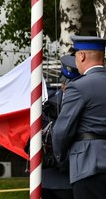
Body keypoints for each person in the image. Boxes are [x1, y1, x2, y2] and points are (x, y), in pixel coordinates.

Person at [52, 35, 106, 199]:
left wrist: (60, 158)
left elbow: (61, 131)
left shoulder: (77, 87)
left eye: (75, 55)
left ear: (81, 56)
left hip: (88, 165)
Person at [42, 55, 79, 199]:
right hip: (48, 177)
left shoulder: (84, 102)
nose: (66, 86)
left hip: (71, 177)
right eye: (65, 82)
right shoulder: (49, 100)